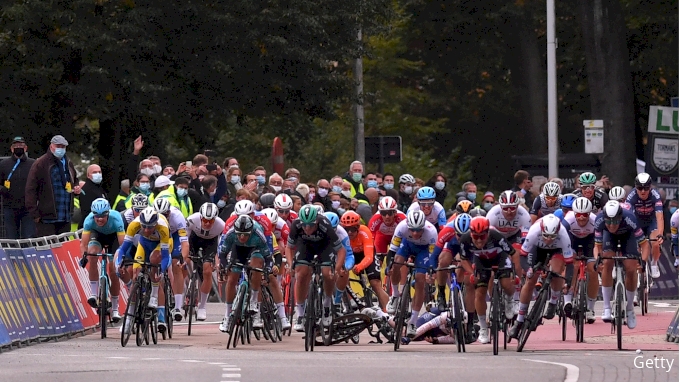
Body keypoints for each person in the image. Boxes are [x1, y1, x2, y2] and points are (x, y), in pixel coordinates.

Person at [79, 198, 125, 322]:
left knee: (113, 268)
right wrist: (84, 256)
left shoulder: (116, 219)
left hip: (113, 238)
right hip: (97, 235)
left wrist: (121, 259)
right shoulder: (89, 220)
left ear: (108, 213)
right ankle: (93, 293)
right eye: (96, 216)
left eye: (103, 216)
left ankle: (115, 309)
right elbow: (83, 244)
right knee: (92, 254)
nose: (99, 219)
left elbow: (122, 244)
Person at [25, 135, 80, 237]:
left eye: (63, 147)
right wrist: (35, 214)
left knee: (63, 247)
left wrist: (76, 187)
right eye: (58, 146)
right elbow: (30, 189)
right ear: (51, 146)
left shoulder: (68, 163)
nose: (61, 149)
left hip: (65, 215)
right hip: (46, 218)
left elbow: (75, 180)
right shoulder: (41, 163)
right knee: (48, 249)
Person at [0, 136, 36, 239]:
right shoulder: (3, 164)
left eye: (21, 145)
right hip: (9, 207)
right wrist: (3, 190)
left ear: (25, 148)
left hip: (28, 208)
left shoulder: (33, 164)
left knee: (28, 238)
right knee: (11, 238)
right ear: (12, 148)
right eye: (16, 146)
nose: (18, 147)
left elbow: (39, 183)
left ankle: (28, 255)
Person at [79, 164, 108, 229]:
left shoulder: (99, 188)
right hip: (91, 227)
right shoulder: (86, 190)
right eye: (94, 172)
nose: (98, 174)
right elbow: (87, 211)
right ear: (88, 175)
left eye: (99, 172)